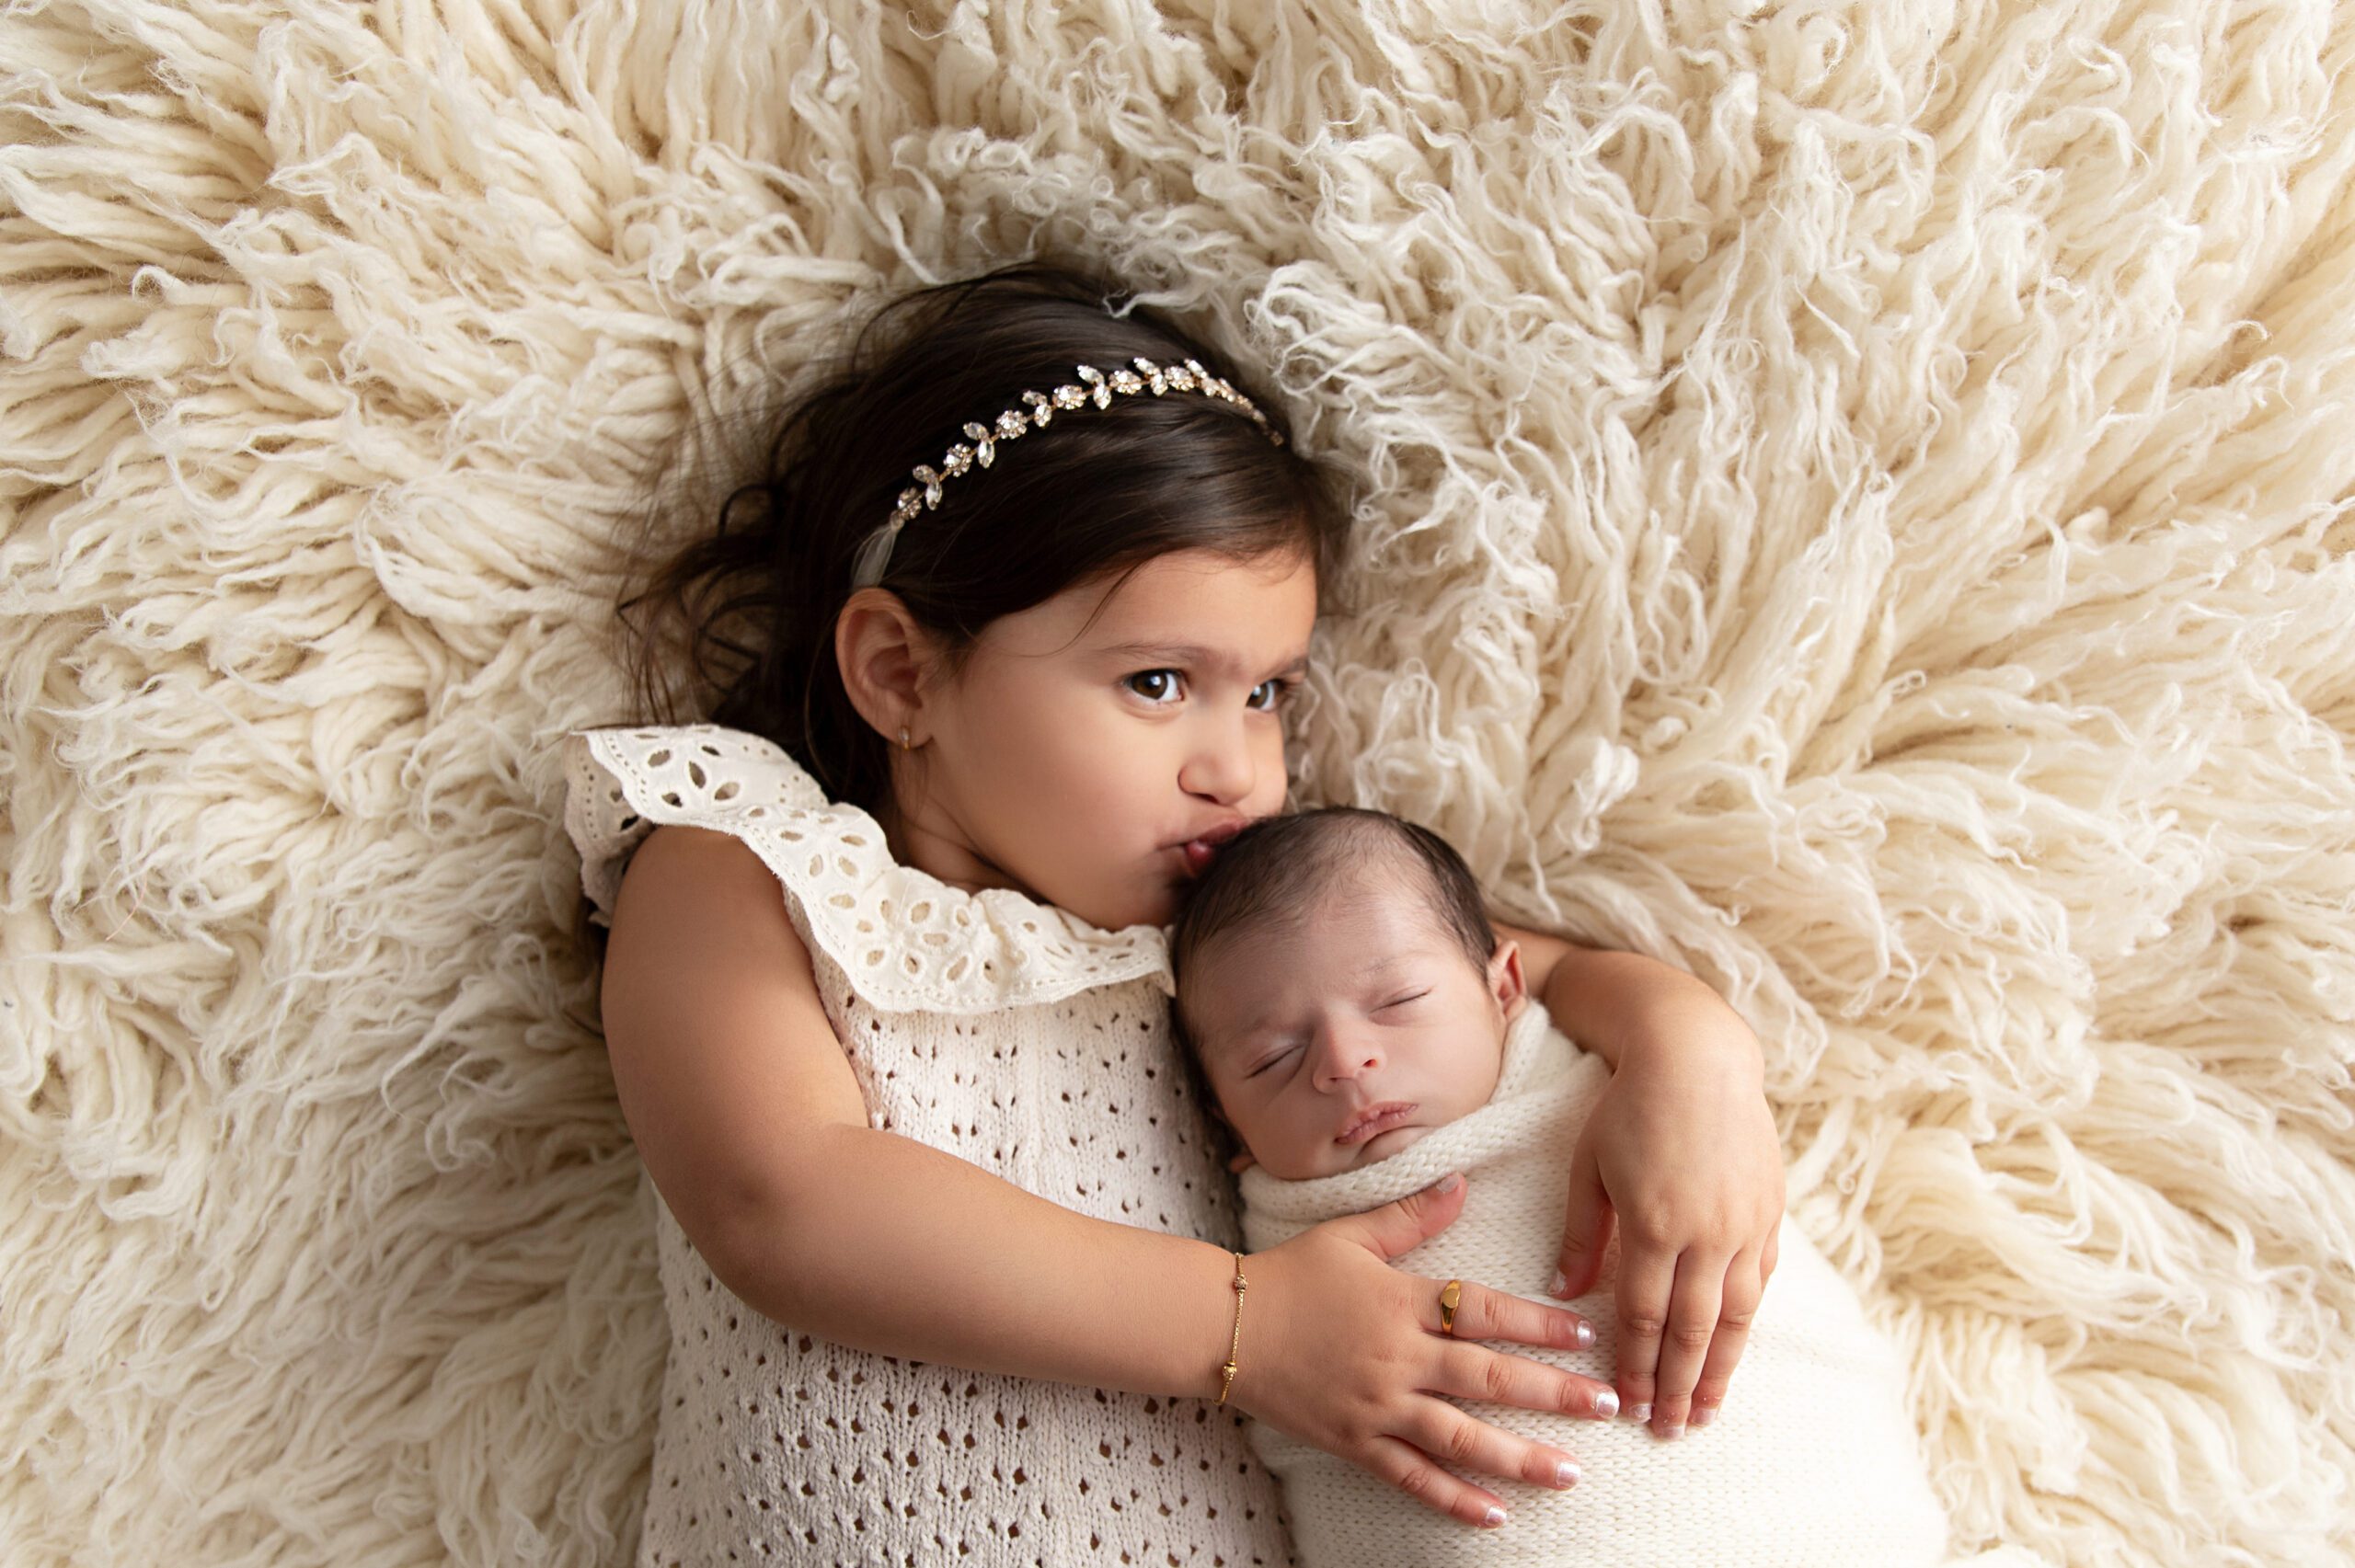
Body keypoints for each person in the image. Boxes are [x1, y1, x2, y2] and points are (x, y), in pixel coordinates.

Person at [559, 260, 1786, 1565]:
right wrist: (1251, 1324)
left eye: (1266, 694)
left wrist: (1697, 1059)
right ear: (901, 670)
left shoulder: (1230, 934)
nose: (1237, 766)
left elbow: (1520, 971)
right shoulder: (748, 856)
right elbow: (784, 1200)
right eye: (1158, 681)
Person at [1167, 805, 1962, 1566]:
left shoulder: (1583, 1083)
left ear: (1505, 989)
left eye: (1400, 1001)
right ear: (1226, 1124)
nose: (1344, 1059)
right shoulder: (1274, 1249)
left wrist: (1693, 1050)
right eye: (1272, 1056)